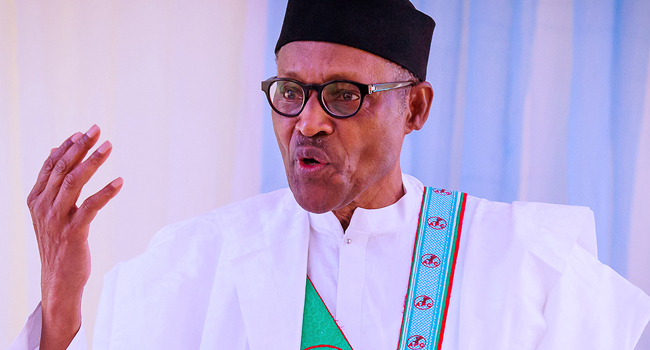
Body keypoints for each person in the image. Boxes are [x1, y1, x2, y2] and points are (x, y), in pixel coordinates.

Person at [10, 0, 650, 349]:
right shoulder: (199, 262)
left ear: (415, 108)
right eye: (290, 91)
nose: (308, 122)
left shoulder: (520, 264)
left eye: (344, 95)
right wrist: (62, 306)